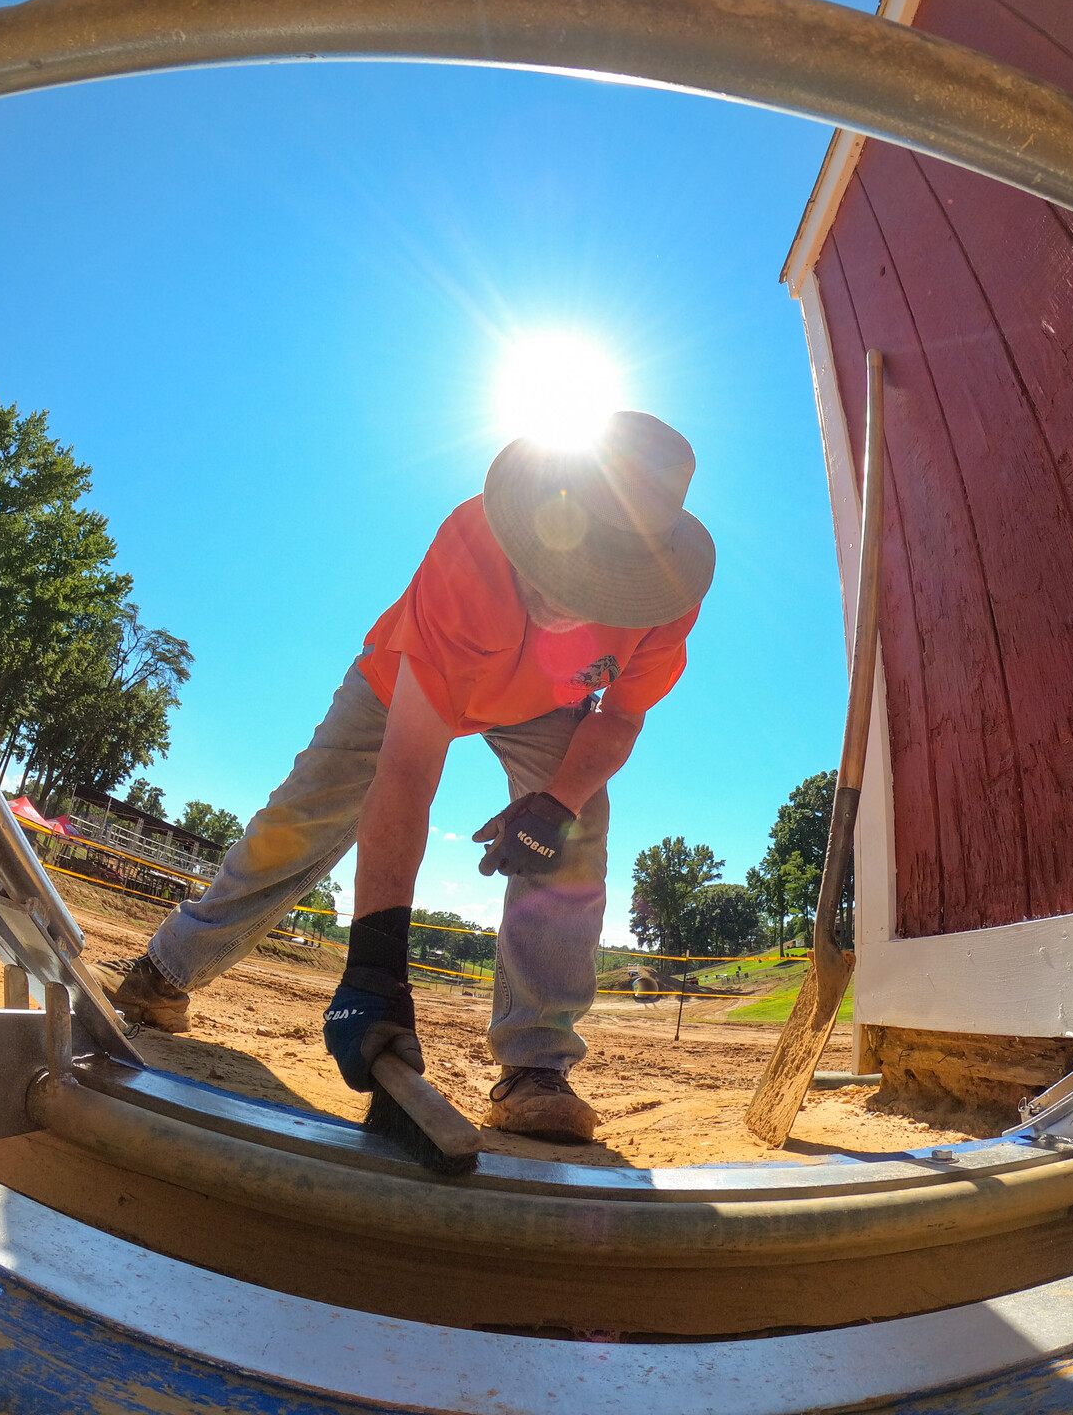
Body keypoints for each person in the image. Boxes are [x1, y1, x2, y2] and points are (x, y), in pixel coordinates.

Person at [96, 411, 714, 1142]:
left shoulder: (665, 603)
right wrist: (376, 969)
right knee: (303, 818)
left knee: (574, 835)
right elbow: (409, 772)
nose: (567, 596)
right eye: (566, 560)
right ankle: (166, 972)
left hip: (547, 701)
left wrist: (557, 802)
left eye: (602, 583)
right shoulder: (474, 547)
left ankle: (536, 1066)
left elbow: (619, 719)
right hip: (412, 674)